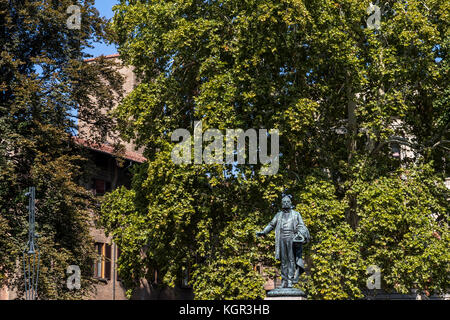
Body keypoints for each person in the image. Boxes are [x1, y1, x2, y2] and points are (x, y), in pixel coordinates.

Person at [256, 196, 310, 288]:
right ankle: (284, 281)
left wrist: (300, 234)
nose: (285, 203)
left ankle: (290, 281)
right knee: (284, 261)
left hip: (292, 239)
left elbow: (301, 226)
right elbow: (271, 224)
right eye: (284, 202)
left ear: (290, 203)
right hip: (281, 239)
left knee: (291, 260)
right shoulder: (278, 215)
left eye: (287, 202)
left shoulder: (296, 214)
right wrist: (264, 232)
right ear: (281, 204)